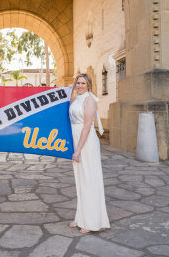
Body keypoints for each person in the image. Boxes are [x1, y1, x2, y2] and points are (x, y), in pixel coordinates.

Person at [69, 73, 110, 233]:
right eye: (78, 83)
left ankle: (91, 221)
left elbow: (87, 126)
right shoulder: (74, 100)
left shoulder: (90, 100)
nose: (79, 85)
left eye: (83, 83)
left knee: (89, 180)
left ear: (89, 85)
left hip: (86, 143)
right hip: (75, 140)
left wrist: (78, 149)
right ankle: (81, 218)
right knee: (80, 180)